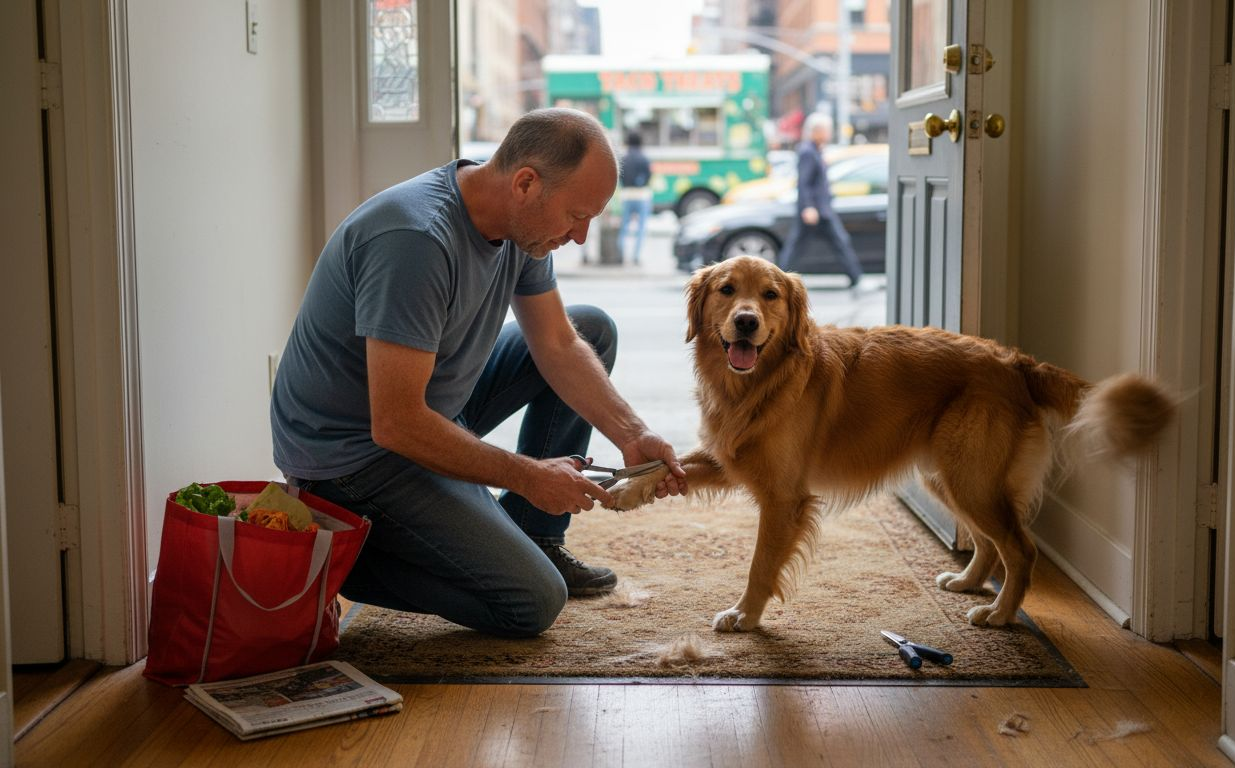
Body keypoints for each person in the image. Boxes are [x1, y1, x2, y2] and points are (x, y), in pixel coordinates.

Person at [269, 108, 687, 638]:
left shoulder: (523, 226)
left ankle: (534, 536)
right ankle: (347, 553)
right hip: (352, 460)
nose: (580, 236)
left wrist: (633, 433)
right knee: (531, 602)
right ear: (526, 184)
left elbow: (557, 344)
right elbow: (395, 424)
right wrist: (528, 476)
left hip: (431, 405)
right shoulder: (416, 239)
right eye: (576, 215)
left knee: (590, 330)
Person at [776, 112, 864, 291]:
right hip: (815, 210)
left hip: (820, 209)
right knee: (802, 246)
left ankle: (856, 277)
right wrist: (808, 207)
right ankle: (778, 279)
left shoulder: (815, 150)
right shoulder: (808, 152)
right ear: (816, 131)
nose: (829, 133)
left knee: (835, 242)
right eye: (826, 130)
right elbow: (804, 183)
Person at [617, 132, 653, 264]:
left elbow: (619, 176)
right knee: (641, 227)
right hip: (642, 195)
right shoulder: (644, 158)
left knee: (624, 226)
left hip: (627, 195)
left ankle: (621, 254)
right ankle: (636, 256)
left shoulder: (623, 158)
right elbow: (649, 176)